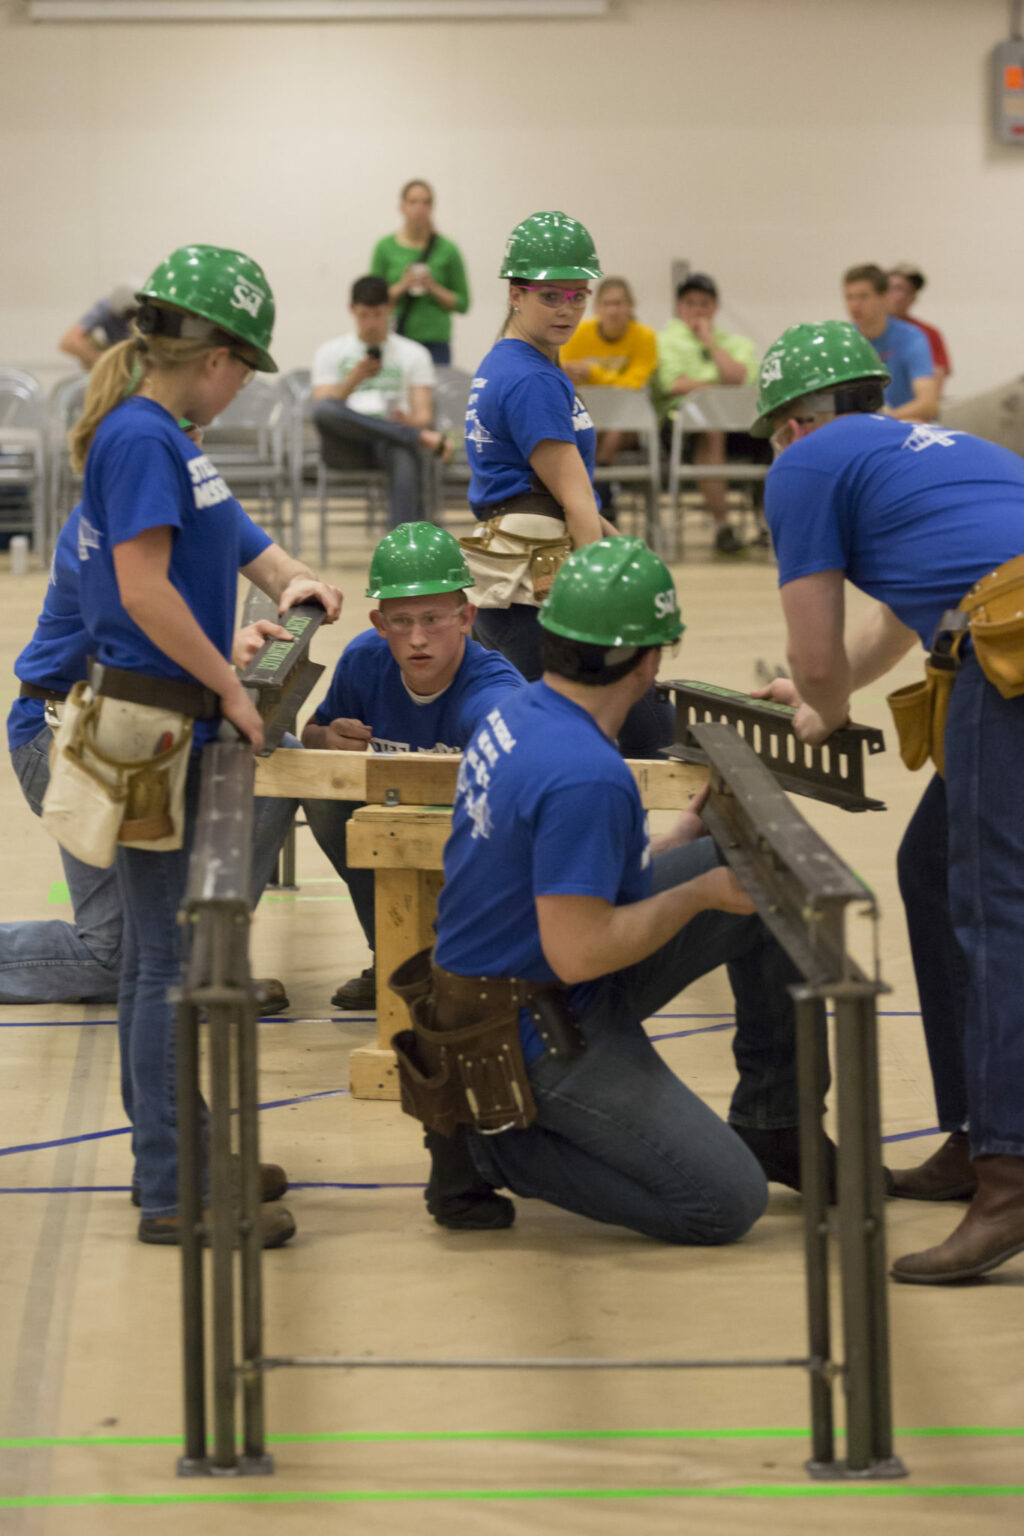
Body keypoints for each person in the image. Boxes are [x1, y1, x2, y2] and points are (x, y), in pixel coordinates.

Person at [396, 538, 834, 1238]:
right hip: (528, 1023)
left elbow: (558, 874)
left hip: (507, 980)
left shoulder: (526, 713)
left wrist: (677, 847)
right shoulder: (585, 772)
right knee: (724, 1203)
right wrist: (699, 893)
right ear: (652, 657)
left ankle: (773, 1120)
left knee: (748, 871)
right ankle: (493, 1146)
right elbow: (582, 951)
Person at [66, 243, 342, 1247]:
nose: (240, 390)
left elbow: (207, 548)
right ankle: (174, 1186)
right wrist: (229, 685)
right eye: (243, 370)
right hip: (151, 724)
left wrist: (279, 587)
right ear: (216, 357)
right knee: (166, 966)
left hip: (164, 708)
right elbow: (141, 591)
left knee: (161, 959)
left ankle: (190, 1152)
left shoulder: (162, 432)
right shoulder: (144, 437)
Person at [750, 318, 1024, 1284]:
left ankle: (1008, 1179)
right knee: (928, 866)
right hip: (1000, 628)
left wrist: (818, 698)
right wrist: (832, 706)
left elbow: (815, 651)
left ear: (792, 423)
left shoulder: (804, 466)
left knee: (996, 911)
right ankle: (971, 1131)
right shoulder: (948, 447)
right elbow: (910, 619)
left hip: (1011, 660)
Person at [4, 487, 319, 1010]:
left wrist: (301, 584)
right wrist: (221, 650)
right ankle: (179, 961)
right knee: (114, 956)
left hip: (143, 728)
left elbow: (276, 566)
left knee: (271, 758)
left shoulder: (199, 493)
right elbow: (132, 644)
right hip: (70, 734)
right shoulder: (105, 521)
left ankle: (206, 962)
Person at [462, 210, 672, 759]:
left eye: (578, 295)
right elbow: (574, 504)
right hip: (535, 587)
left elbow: (565, 495)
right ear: (516, 293)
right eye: (551, 296)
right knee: (650, 740)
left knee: (570, 745)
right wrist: (607, 608)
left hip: (521, 581)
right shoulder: (530, 378)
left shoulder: (515, 363)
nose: (567, 310)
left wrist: (621, 546)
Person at [300, 522, 523, 1010]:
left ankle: (469, 961)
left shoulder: (490, 690)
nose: (417, 639)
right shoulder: (363, 661)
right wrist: (328, 738)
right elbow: (310, 734)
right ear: (380, 626)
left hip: (468, 842)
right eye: (401, 622)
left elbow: (520, 745)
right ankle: (393, 953)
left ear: (467, 617)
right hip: (392, 829)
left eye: (433, 619)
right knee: (323, 792)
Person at [312, 275, 451, 529]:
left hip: (390, 443)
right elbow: (323, 408)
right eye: (364, 315)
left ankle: (403, 551)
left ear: (389, 308)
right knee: (324, 409)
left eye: (377, 314)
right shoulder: (330, 351)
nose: (371, 323)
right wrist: (353, 380)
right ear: (351, 310)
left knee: (403, 451)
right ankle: (410, 436)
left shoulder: (414, 354)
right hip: (346, 445)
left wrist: (407, 422)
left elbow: (423, 416)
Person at [655, 273, 760, 557]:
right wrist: (717, 388)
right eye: (691, 303)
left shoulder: (736, 343)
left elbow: (740, 381)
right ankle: (722, 526)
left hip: (735, 424)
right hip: (682, 428)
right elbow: (673, 384)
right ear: (680, 307)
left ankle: (767, 524)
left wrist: (711, 343)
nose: (698, 310)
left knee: (769, 432)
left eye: (704, 303)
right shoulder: (664, 341)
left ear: (715, 307)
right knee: (710, 430)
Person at [560, 275, 658, 519]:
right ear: (597, 308)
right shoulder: (578, 334)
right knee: (589, 429)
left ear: (630, 306)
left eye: (619, 303)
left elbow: (635, 384)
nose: (614, 310)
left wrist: (593, 373)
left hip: (628, 423)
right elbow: (563, 374)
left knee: (614, 430)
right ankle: (597, 500)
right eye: (607, 303)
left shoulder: (644, 337)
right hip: (588, 418)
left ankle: (599, 493)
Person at [370, 179, 470, 366]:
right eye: (413, 202)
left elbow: (463, 303)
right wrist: (402, 285)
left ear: (432, 207)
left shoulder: (447, 249)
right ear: (402, 207)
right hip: (397, 337)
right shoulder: (385, 247)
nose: (420, 208)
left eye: (426, 202)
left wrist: (433, 287)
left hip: (435, 342)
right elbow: (372, 299)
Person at [842, 263, 938, 423]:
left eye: (863, 297)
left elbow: (928, 404)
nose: (854, 305)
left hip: (898, 425)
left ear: (883, 297)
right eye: (849, 297)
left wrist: (883, 420)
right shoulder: (843, 340)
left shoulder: (912, 337)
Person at [886, 263, 952, 394]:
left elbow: (936, 383)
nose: (895, 295)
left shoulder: (927, 333)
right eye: (892, 288)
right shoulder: (861, 332)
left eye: (901, 289)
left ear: (913, 297)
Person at [59, 283, 140, 370]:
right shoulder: (107, 306)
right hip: (114, 354)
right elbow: (68, 341)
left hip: (138, 354)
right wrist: (102, 359)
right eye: (129, 316)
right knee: (86, 339)